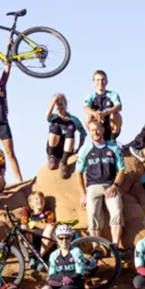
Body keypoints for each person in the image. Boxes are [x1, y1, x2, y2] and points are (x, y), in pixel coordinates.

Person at [76, 117, 127, 253]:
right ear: (89, 132)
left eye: (98, 129)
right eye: (92, 130)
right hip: (92, 186)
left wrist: (115, 186)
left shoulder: (113, 148)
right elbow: (78, 173)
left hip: (110, 185)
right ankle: (96, 248)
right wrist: (82, 194)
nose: (96, 132)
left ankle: (115, 245)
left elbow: (121, 170)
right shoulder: (85, 149)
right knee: (92, 213)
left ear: (103, 129)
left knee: (116, 211)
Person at [23, 224, 86, 289]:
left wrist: (68, 279)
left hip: (75, 284)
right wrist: (61, 280)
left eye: (67, 238)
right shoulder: (54, 255)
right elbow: (52, 274)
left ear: (71, 238)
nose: (64, 241)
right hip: (60, 281)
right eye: (61, 238)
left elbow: (79, 272)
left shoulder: (76, 252)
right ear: (56, 239)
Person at [46, 93, 85, 177]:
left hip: (66, 149)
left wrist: (80, 147)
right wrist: (53, 100)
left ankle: (63, 162)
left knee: (70, 129)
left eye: (61, 104)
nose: (59, 107)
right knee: (55, 127)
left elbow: (83, 133)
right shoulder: (53, 118)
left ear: (65, 104)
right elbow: (47, 115)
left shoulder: (73, 119)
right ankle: (51, 157)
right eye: (57, 105)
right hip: (54, 148)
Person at [83, 70, 123, 142]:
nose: (100, 82)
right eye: (97, 80)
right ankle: (95, 137)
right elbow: (85, 107)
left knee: (115, 114)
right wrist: (95, 113)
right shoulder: (90, 96)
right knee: (88, 117)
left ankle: (112, 139)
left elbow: (118, 106)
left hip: (110, 125)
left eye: (102, 80)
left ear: (106, 81)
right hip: (98, 124)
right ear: (94, 83)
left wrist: (105, 113)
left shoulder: (112, 94)